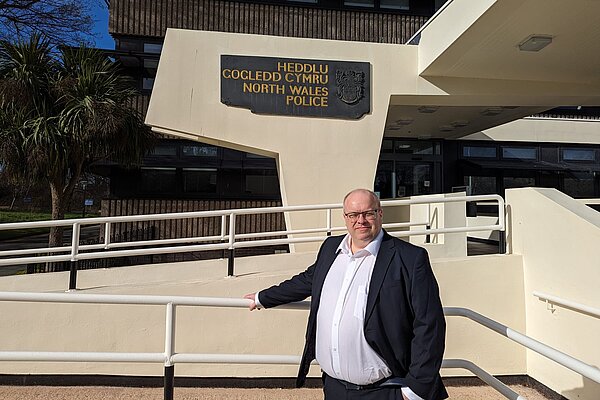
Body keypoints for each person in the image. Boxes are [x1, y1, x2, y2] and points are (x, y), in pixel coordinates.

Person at [244, 188, 447, 400]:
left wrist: (415, 391)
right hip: (334, 388)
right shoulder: (331, 247)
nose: (361, 221)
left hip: (385, 391)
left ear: (380, 213)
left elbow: (429, 323)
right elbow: (307, 280)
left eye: (368, 213)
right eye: (353, 215)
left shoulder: (410, 258)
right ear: (345, 217)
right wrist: (262, 298)